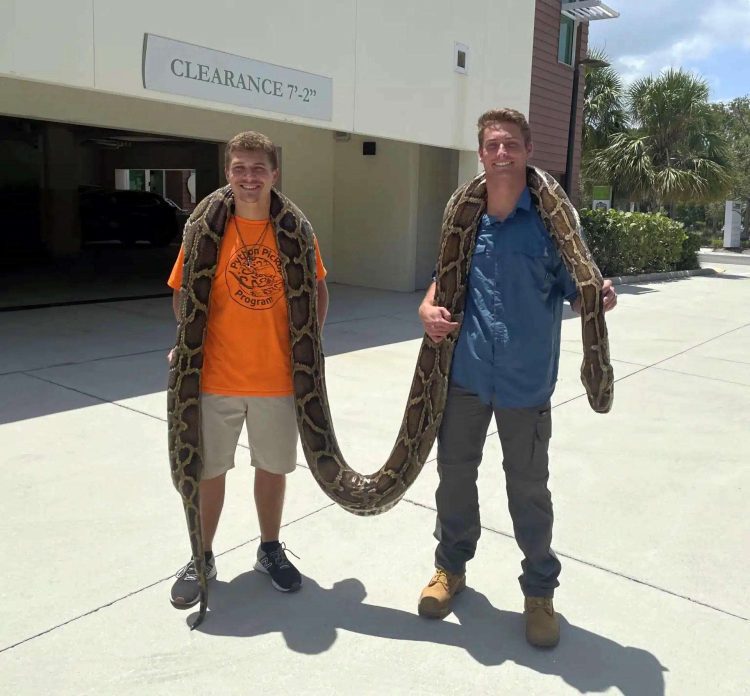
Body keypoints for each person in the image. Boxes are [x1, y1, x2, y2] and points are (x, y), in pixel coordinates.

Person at [416, 108, 617, 648]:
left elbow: (577, 289)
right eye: (492, 145)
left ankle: (539, 591)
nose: (501, 153)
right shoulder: (465, 216)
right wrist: (426, 311)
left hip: (527, 383)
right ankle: (450, 569)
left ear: (527, 152)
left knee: (528, 490)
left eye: (510, 144)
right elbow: (440, 283)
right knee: (454, 478)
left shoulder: (552, 225)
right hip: (467, 376)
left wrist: (597, 296)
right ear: (481, 153)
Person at [167, 131, 328, 608]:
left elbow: (317, 291)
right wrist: (187, 343)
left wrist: (309, 350)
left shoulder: (295, 230)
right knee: (208, 469)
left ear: (274, 174)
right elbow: (182, 294)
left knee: (272, 468)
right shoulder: (204, 228)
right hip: (212, 378)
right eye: (239, 168)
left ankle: (269, 549)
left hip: (277, 379)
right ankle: (203, 555)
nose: (249, 177)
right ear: (229, 173)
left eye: (258, 168)